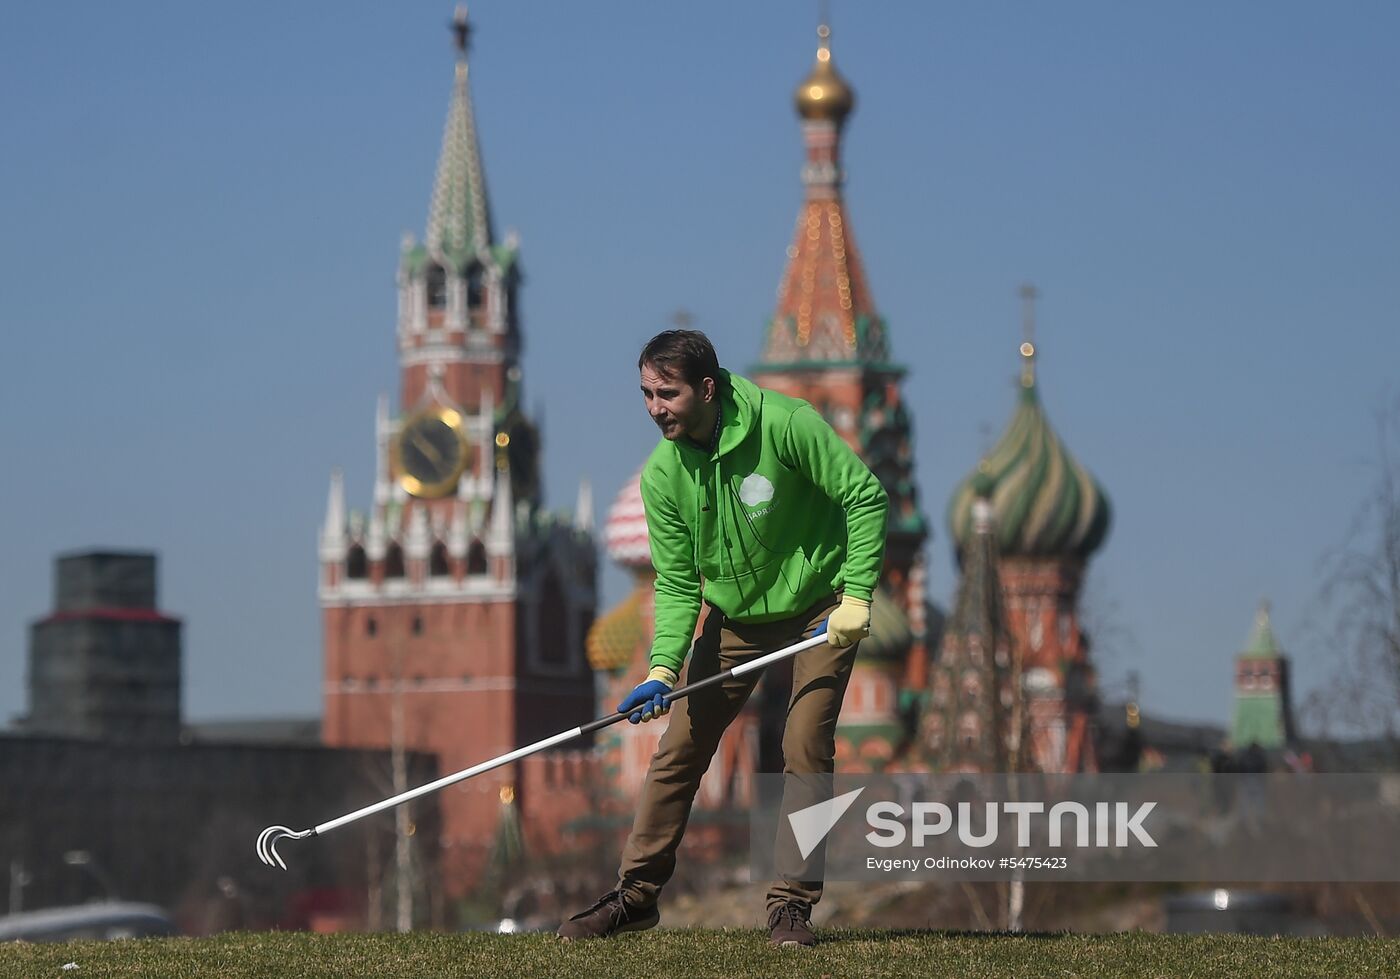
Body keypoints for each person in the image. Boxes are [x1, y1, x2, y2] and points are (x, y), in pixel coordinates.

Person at [558, 330, 888, 948]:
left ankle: (791, 905)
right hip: (736, 619)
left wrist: (857, 597)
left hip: (821, 606)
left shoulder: (786, 425)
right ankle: (635, 896)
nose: (655, 408)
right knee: (680, 747)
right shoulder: (663, 475)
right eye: (646, 394)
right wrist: (661, 671)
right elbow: (680, 584)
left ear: (707, 388)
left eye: (668, 393)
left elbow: (865, 497)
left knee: (804, 741)